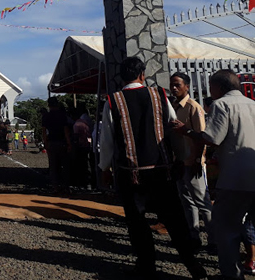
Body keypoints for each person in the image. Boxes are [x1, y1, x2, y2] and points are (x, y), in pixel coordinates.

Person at [99, 57, 206, 280]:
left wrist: (104, 168)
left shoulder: (113, 100)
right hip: (162, 170)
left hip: (131, 173)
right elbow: (173, 127)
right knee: (175, 221)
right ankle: (193, 265)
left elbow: (107, 138)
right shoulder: (159, 95)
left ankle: (146, 266)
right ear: (142, 74)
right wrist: (181, 158)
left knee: (137, 223)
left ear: (122, 76)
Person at [173, 69, 255, 279]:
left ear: (218, 87)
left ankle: (231, 275)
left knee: (226, 229)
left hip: (235, 178)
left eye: (210, 86)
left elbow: (212, 138)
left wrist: (186, 131)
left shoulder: (221, 105)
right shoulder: (252, 104)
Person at [169, 72, 214, 249]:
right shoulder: (172, 106)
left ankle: (213, 240)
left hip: (192, 162)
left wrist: (197, 160)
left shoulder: (193, 107)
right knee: (186, 201)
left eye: (177, 85)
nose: (174, 88)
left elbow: (201, 136)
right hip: (179, 162)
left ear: (187, 86)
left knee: (202, 203)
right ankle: (193, 236)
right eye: (172, 84)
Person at [42, 97, 72, 193]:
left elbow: (44, 132)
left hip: (51, 142)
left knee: (53, 166)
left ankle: (55, 186)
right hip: (62, 141)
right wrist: (69, 143)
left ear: (49, 105)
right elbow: (66, 130)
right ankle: (65, 186)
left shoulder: (46, 116)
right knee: (65, 165)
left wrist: (45, 143)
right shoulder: (62, 115)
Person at [72, 104, 94, 189]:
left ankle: (82, 182)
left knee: (81, 165)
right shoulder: (87, 121)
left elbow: (76, 137)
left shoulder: (78, 124)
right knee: (87, 164)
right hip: (88, 145)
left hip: (80, 146)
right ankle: (88, 182)